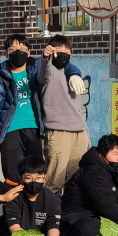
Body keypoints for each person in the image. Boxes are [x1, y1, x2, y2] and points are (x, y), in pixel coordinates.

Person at [0, 34, 85, 184]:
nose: (18, 52)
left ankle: (34, 205)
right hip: (9, 131)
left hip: (33, 128)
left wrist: (74, 74)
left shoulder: (35, 69)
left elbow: (63, 64)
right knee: (13, 176)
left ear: (29, 52)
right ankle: (14, 206)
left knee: (36, 174)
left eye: (22, 48)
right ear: (6, 53)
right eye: (13, 49)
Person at [39, 35, 91, 194]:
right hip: (58, 132)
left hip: (79, 131)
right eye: (58, 49)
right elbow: (43, 72)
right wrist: (45, 57)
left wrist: (85, 133)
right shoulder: (48, 72)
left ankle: (70, 213)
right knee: (54, 180)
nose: (62, 53)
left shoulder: (72, 72)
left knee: (75, 179)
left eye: (66, 50)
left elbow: (79, 106)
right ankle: (48, 213)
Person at [0, 156, 61, 236]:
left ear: (45, 178)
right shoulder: (13, 196)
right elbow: (13, 225)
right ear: (20, 179)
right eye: (28, 178)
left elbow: (53, 226)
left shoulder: (53, 200)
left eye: (39, 178)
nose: (34, 182)